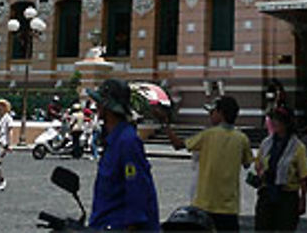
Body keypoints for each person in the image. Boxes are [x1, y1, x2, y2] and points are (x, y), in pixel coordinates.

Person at [163, 95, 252, 231]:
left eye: (213, 112)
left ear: (221, 113)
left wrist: (166, 125)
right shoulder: (242, 139)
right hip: (229, 207)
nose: (210, 115)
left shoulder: (207, 135)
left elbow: (178, 144)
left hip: (205, 205)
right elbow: (247, 163)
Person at [88, 78, 159, 231]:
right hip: (104, 223)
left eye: (99, 103)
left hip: (119, 225)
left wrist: (132, 225)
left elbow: (136, 186)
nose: (96, 107)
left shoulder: (127, 141)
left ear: (107, 108)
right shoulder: (113, 139)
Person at [252, 106, 307, 231]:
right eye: (273, 119)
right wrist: (261, 173)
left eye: (278, 120)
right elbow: (258, 164)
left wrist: (303, 199)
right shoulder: (266, 143)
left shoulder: (297, 147)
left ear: (286, 123)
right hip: (267, 192)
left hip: (287, 196)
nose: (274, 122)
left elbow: (304, 176)